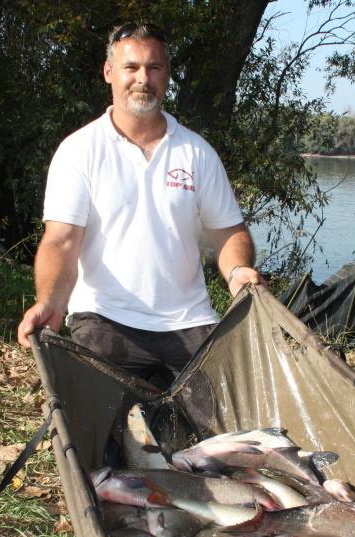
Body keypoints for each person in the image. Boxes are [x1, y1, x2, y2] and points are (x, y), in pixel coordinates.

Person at [17, 21, 264, 385]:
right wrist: (50, 301)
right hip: (105, 319)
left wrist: (238, 271)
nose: (142, 79)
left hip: (190, 321)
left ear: (166, 74)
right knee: (104, 432)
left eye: (154, 67)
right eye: (131, 67)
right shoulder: (79, 151)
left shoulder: (197, 153)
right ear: (108, 72)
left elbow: (228, 232)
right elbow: (61, 241)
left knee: (225, 428)